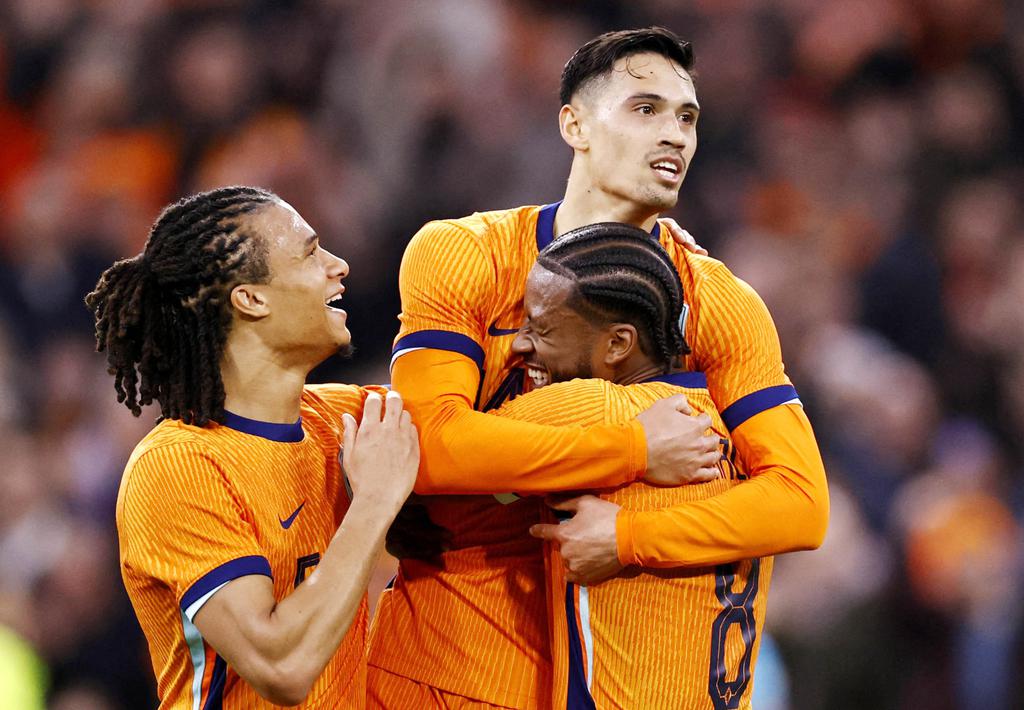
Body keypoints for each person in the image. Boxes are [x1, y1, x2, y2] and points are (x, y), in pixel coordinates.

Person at [367, 27, 828, 709]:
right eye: (645, 109)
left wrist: (630, 535)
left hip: (609, 673)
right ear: (573, 124)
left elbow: (798, 503)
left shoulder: (718, 302)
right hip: (452, 664)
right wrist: (635, 447)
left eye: (687, 117)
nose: (673, 134)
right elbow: (427, 449)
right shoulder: (464, 254)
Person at [86, 186, 420, 708]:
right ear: (251, 298)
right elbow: (281, 667)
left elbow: (465, 417)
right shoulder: (177, 466)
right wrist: (374, 504)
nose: (339, 266)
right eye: (311, 253)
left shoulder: (338, 418)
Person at [498, 222, 775, 709]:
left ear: (617, 344)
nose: (519, 346)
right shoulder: (734, 424)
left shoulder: (586, 410)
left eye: (541, 329)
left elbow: (433, 454)